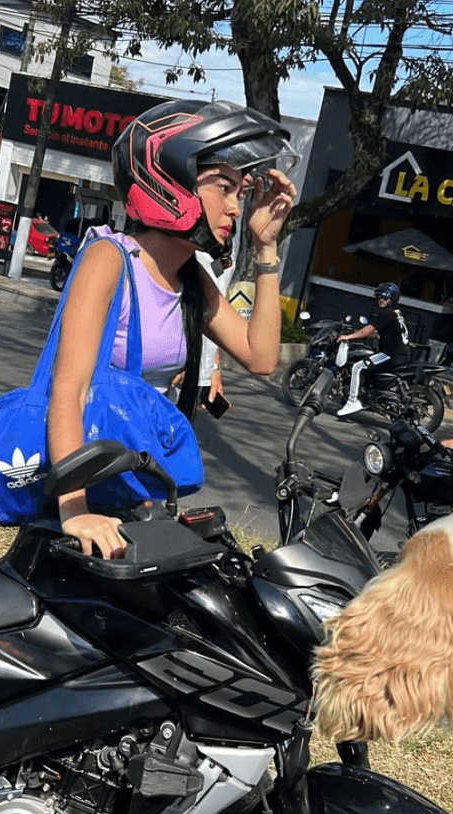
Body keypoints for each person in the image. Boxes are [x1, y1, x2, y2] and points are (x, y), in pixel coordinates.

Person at [49, 98, 296, 560]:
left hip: (138, 487)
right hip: (81, 490)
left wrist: (266, 249)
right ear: (167, 179)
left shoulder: (192, 278)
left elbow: (261, 358)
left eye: (240, 193)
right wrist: (74, 509)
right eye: (224, 188)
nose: (235, 209)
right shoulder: (109, 259)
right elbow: (70, 387)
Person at [335, 282, 411, 417]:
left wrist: (349, 336)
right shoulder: (397, 313)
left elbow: (370, 329)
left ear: (392, 299)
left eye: (385, 298)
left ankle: (353, 401)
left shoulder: (386, 314)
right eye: (380, 297)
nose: (381, 300)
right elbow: (379, 331)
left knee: (357, 367)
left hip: (390, 355)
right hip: (401, 354)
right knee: (368, 365)